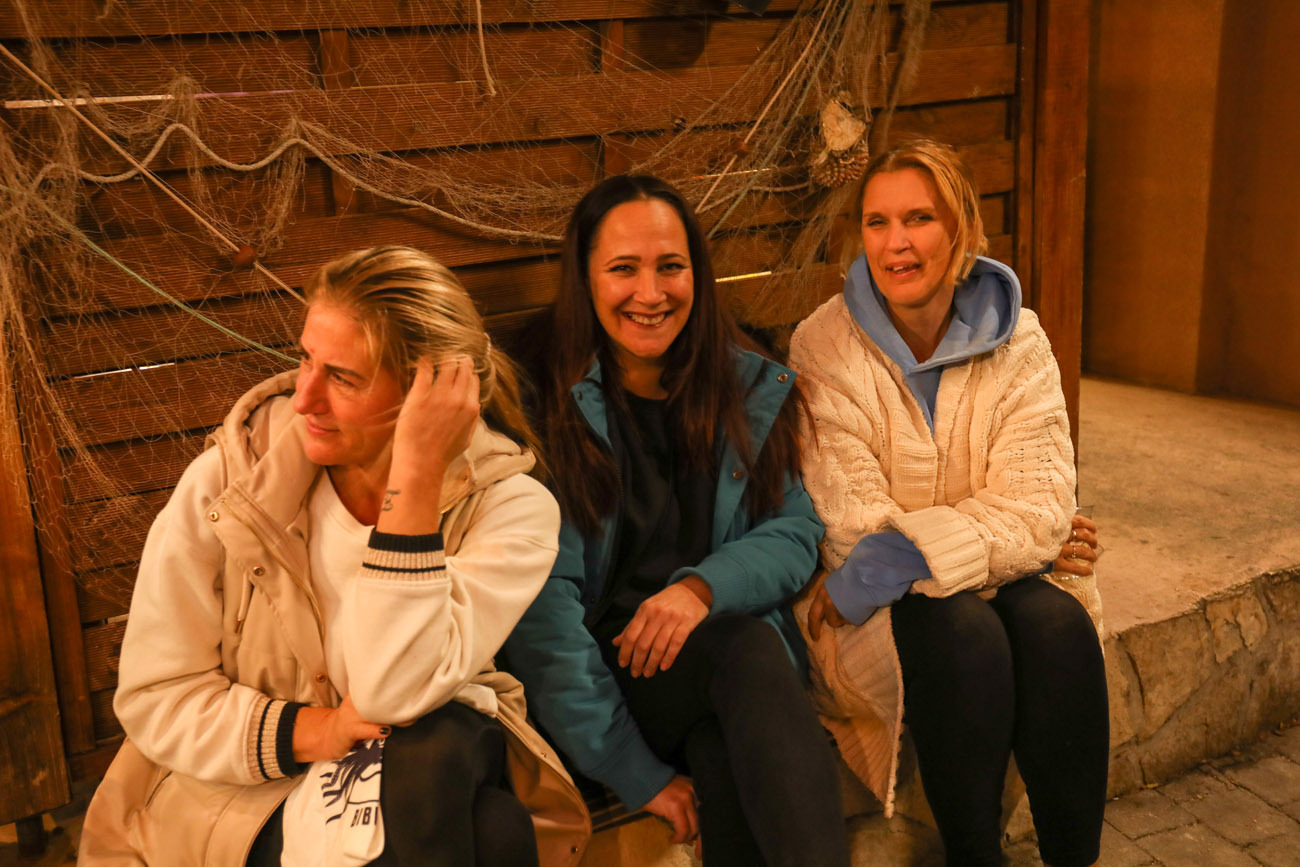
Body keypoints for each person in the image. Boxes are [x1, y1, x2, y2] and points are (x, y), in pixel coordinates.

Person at [79, 246, 590, 866]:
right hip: (238, 799)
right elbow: (156, 694)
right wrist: (314, 731)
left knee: (441, 750)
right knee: (496, 829)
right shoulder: (234, 482)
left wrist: (416, 475)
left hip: (421, 765)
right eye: (306, 360)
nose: (304, 398)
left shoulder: (511, 510)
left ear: (430, 392)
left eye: (343, 378)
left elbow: (393, 693)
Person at [502, 175, 851, 865]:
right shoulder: (537, 400)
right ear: (584, 278)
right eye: (622, 269)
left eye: (670, 266)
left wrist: (701, 588)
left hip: (715, 667)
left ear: (697, 273)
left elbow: (794, 530)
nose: (651, 292)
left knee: (723, 745)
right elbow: (542, 621)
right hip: (600, 682)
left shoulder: (739, 380)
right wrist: (635, 770)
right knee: (746, 653)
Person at [789, 140, 1108, 867]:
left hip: (908, 584)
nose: (895, 243)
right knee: (965, 629)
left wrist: (903, 556)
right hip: (873, 617)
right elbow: (851, 531)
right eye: (877, 222)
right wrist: (1012, 544)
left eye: (919, 218)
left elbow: (1038, 506)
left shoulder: (1020, 339)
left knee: (1057, 622)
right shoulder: (822, 347)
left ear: (961, 228)